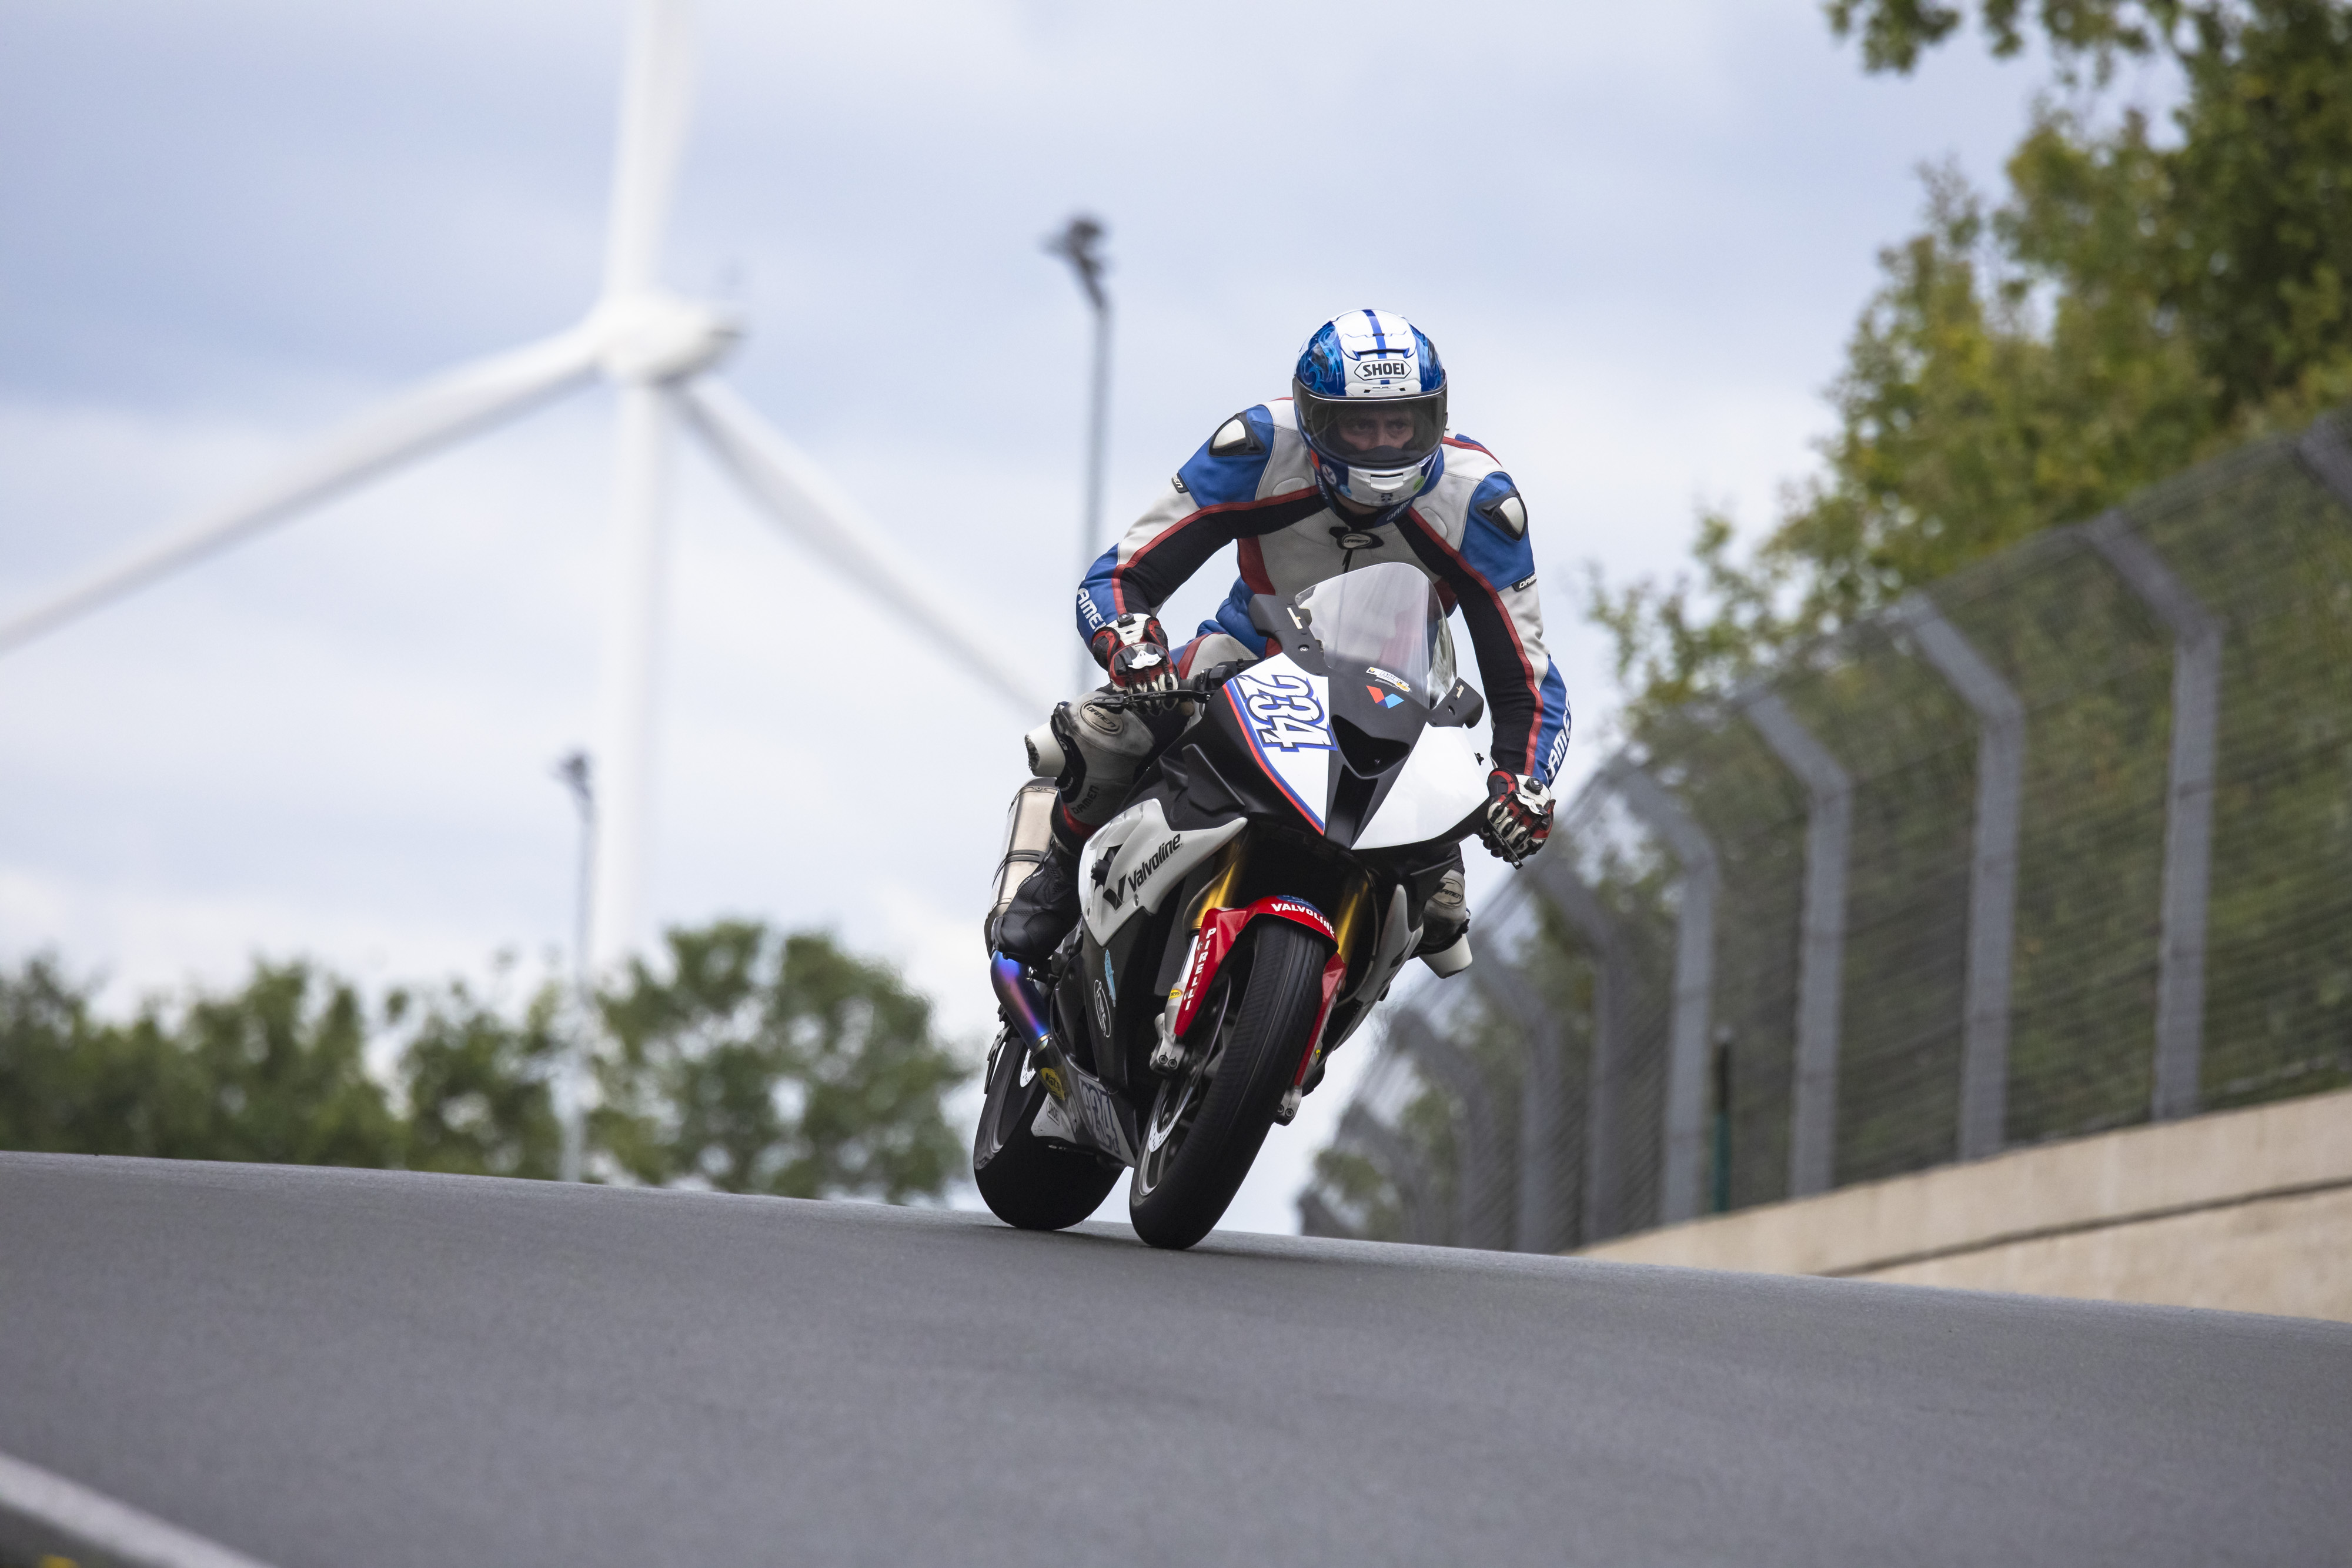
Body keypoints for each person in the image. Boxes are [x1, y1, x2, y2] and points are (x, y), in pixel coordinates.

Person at [993, 308, 1569, 967]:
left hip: (1397, 703)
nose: (1382, 446)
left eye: (1400, 424)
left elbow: (1528, 679)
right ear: (1315, 418)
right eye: (1359, 425)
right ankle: (1060, 876)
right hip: (1247, 656)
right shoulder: (1258, 446)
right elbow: (1120, 574)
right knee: (1103, 735)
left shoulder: (1482, 503)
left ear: (1434, 418)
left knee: (1441, 912)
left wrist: (1523, 782)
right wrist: (1132, 642)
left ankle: (1331, 1004)